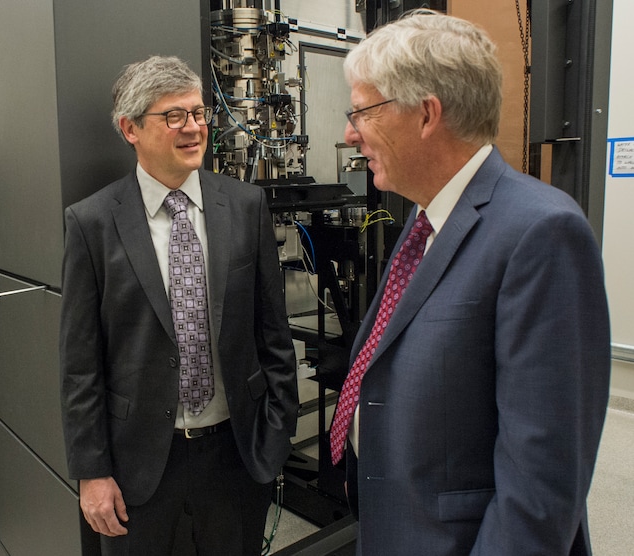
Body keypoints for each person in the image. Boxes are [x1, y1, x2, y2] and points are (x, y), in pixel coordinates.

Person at [328, 10, 611, 555]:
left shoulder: (541, 233)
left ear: (426, 114)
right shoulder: (423, 217)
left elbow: (541, 486)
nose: (349, 132)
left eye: (362, 111)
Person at [59, 55, 299, 556]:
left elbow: (272, 332)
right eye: (174, 116)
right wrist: (92, 472)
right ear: (131, 128)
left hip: (236, 454)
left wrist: (275, 438)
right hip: (140, 465)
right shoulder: (93, 223)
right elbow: (80, 366)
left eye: (198, 113)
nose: (193, 128)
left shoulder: (246, 205)